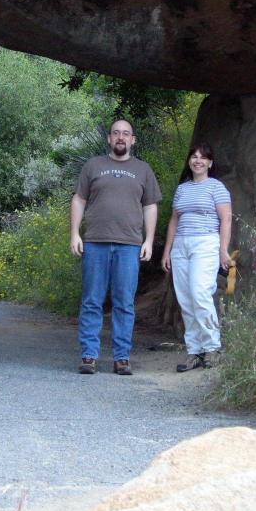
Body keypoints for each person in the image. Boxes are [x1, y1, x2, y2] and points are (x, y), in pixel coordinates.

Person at [70, 119, 162, 376]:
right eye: (116, 133)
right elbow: (79, 199)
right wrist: (74, 234)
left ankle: (122, 357)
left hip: (129, 245)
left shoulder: (143, 170)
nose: (121, 137)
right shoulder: (93, 166)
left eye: (126, 134)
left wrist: (149, 240)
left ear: (133, 140)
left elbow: (150, 206)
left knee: (124, 303)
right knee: (92, 300)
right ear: (109, 139)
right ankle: (89, 355)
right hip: (95, 243)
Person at [161, 141, 232, 371]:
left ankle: (212, 348)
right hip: (181, 245)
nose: (198, 160)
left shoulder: (217, 187)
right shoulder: (182, 188)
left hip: (206, 243)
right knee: (185, 298)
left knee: (200, 292)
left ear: (210, 163)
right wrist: (167, 251)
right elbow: (174, 220)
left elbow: (226, 220)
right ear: (189, 161)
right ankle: (194, 351)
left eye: (203, 157)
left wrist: (223, 250)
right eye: (194, 156)